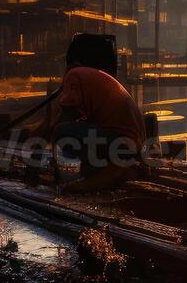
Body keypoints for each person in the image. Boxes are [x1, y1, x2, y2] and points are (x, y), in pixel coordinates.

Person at [35, 50, 146, 193]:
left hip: (120, 141)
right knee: (75, 132)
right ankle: (93, 171)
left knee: (61, 131)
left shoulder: (73, 76)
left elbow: (66, 114)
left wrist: (43, 145)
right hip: (133, 143)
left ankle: (73, 178)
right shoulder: (91, 77)